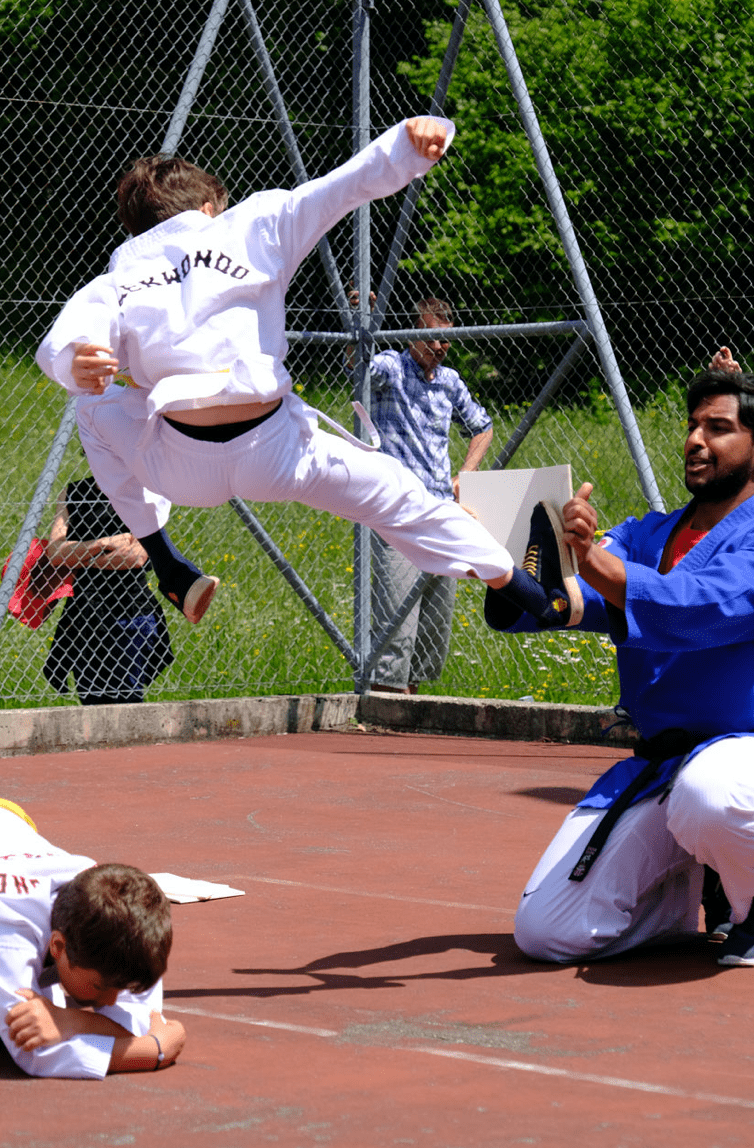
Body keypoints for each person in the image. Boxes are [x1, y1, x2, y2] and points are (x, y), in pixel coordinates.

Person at [35, 118, 521, 626]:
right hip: (275, 453)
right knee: (399, 497)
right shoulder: (251, 223)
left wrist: (77, 362)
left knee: (93, 407)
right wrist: (408, 144)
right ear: (207, 208)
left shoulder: (121, 274)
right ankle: (524, 589)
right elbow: (339, 189)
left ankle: (167, 565)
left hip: (181, 467)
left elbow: (67, 337)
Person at [484, 355, 754, 967]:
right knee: (546, 932)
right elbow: (559, 600)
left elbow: (698, 606)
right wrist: (498, 560)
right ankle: (680, 896)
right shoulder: (645, 536)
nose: (694, 440)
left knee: (712, 795)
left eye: (718, 427)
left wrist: (599, 566)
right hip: (666, 772)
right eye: (692, 425)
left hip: (741, 765)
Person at [348, 294, 494, 693]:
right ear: (412, 333)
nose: (439, 347)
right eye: (431, 337)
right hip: (396, 511)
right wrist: (360, 321)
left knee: (435, 619)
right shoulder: (393, 369)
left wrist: (466, 473)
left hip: (440, 509)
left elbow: (482, 427)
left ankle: (412, 697)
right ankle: (384, 695)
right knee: (396, 613)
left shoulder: (449, 382)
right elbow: (358, 366)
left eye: (445, 339)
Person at [0, 798, 186, 1077]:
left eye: (122, 988)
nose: (111, 1000)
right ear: (58, 945)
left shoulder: (123, 916)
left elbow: (138, 1022)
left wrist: (70, 1020)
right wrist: (153, 1052)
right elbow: (32, 1050)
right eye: (99, 985)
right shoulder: (10, 933)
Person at [44, 474, 174, 705]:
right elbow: (54, 553)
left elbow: (137, 556)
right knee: (91, 702)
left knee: (128, 701)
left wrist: (78, 557)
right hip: (84, 615)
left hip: (131, 613)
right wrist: (103, 545)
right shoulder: (73, 492)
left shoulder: (144, 490)